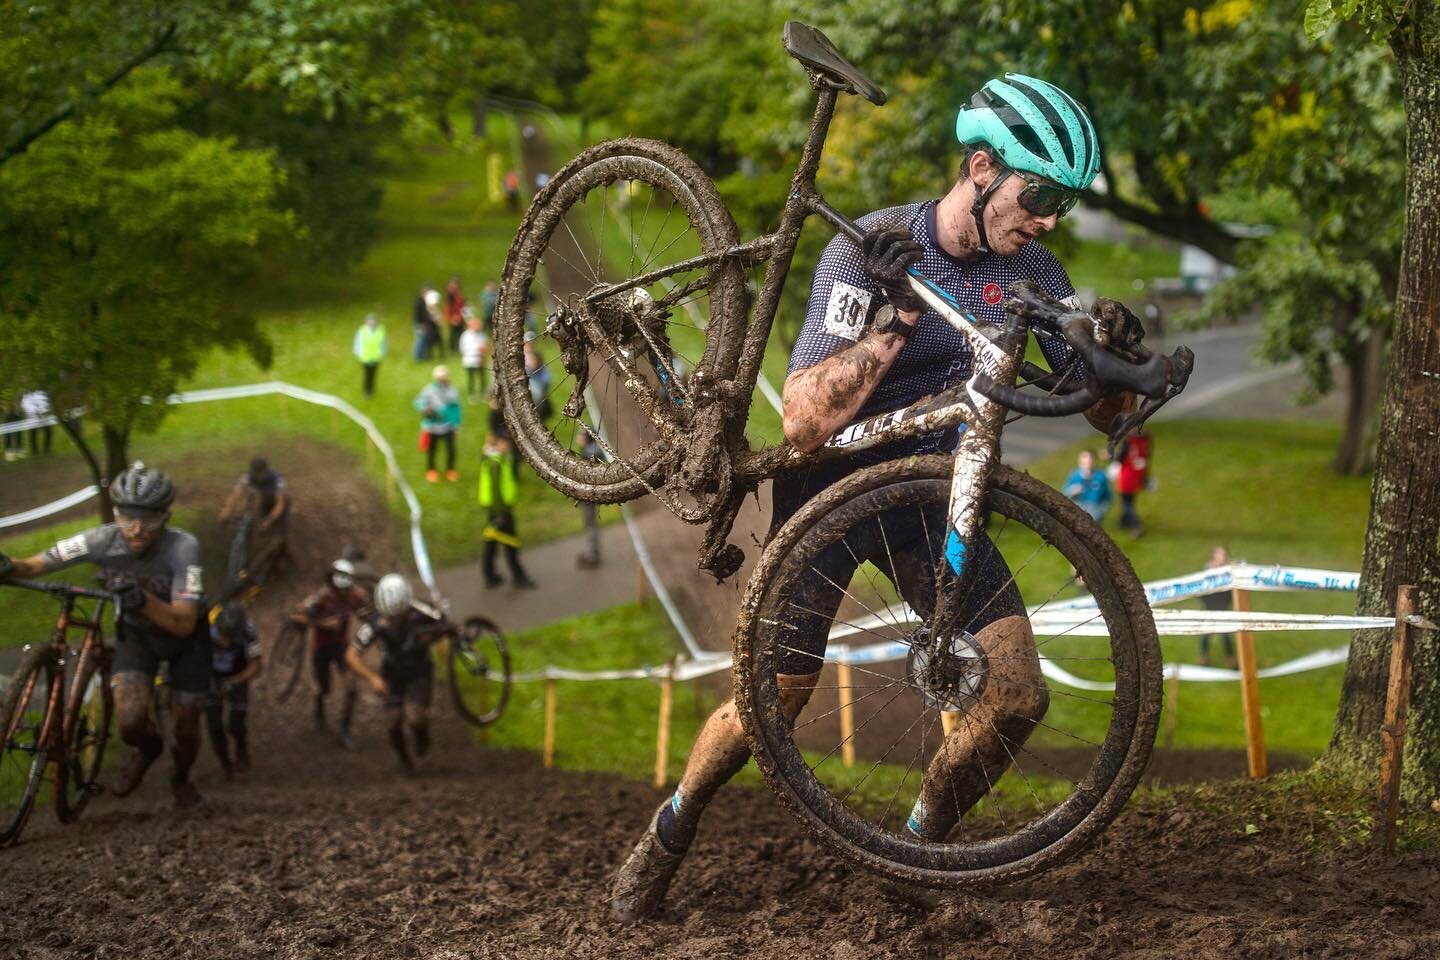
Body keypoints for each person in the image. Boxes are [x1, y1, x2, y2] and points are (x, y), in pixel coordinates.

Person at [610, 73, 1143, 920]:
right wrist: (895, 319)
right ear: (980, 167)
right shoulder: (871, 243)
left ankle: (914, 852)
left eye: (1065, 205)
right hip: (829, 488)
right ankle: (671, 829)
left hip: (932, 498)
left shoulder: (1036, 268)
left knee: (1014, 695)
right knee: (769, 705)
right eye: (1038, 194)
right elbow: (804, 420)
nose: (1047, 218)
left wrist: (1116, 357)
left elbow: (1104, 412)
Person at [0, 463, 210, 807]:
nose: (137, 529)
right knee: (129, 721)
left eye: (149, 520)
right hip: (139, 635)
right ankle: (149, 747)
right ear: (115, 513)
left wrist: (141, 599)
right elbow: (37, 564)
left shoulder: (184, 548)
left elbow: (184, 623)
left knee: (187, 721)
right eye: (127, 518)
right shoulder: (101, 539)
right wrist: (9, 565)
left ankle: (181, 778)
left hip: (187, 641)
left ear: (165, 517)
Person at [345, 573, 445, 772]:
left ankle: (422, 735)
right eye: (390, 617)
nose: (394, 621)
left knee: (415, 717)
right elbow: (351, 655)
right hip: (392, 672)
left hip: (419, 670)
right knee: (393, 721)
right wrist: (372, 678)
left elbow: (446, 628)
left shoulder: (423, 612)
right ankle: (403, 760)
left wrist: (434, 640)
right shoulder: (375, 623)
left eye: (399, 616)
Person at [298, 557, 370, 747]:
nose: (343, 594)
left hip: (341, 647)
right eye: (340, 591)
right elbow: (300, 618)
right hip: (321, 648)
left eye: (346, 590)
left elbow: (364, 613)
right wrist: (324, 623)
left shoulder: (355, 595)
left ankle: (345, 728)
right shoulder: (322, 597)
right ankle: (318, 710)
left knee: (351, 687)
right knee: (324, 688)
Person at [207, 603, 263, 779]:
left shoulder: (249, 631)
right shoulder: (205, 631)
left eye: (232, 637)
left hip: (238, 673)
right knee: (214, 726)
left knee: (236, 725)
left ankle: (241, 749)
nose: (227, 642)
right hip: (211, 675)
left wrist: (235, 681)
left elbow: (257, 665)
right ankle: (225, 764)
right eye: (224, 636)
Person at [477, 433, 536, 588]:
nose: (509, 446)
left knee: (491, 543)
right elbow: (496, 491)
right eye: (506, 443)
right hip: (500, 512)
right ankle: (519, 577)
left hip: (496, 511)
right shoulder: (495, 463)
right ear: (499, 443)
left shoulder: (497, 460)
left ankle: (489, 576)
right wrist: (500, 515)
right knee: (511, 544)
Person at [220, 457, 290, 542]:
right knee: (262, 527)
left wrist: (269, 520)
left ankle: (285, 547)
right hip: (266, 500)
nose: (256, 477)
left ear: (265, 472)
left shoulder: (277, 480)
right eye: (254, 473)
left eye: (258, 474)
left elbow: (280, 504)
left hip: (282, 502)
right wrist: (227, 509)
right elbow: (235, 493)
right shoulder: (249, 476)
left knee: (280, 531)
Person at [415, 365, 462, 483]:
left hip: (448, 426)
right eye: (439, 377)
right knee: (432, 450)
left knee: (451, 450)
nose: (441, 379)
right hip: (432, 426)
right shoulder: (428, 390)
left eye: (443, 376)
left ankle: (450, 470)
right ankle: (431, 470)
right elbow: (418, 401)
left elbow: (456, 408)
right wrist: (424, 408)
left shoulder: (452, 391)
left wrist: (456, 425)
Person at [1199, 545, 1237, 668]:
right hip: (1209, 606)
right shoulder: (1207, 570)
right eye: (1219, 554)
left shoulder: (1228, 571)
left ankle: (1231, 660)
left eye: (1224, 554)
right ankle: (1203, 658)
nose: (1222, 557)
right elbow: (1200, 588)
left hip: (1222, 606)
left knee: (1225, 634)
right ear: (1213, 556)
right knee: (1205, 633)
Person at [1114, 427, 1151, 538]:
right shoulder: (1146, 440)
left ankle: (1136, 525)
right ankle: (1123, 521)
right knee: (1130, 499)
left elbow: (1119, 458)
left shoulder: (1128, 441)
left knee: (1126, 502)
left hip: (1127, 475)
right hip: (1138, 474)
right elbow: (1148, 456)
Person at [1062, 448, 1112, 524]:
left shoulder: (1101, 476)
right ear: (1080, 461)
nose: (1088, 461)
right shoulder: (1074, 475)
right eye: (1084, 458)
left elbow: (1107, 497)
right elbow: (1064, 493)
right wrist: (1072, 491)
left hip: (1095, 514)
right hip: (1077, 511)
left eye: (1091, 458)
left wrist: (1101, 511)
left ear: (1095, 461)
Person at [576, 427, 602, 568]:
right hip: (591, 494)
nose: (578, 438)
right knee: (591, 524)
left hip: (588, 495)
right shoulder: (593, 451)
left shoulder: (589, 454)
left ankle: (592, 554)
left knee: (590, 524)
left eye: (580, 435)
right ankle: (593, 552)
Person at [458, 310, 490, 402]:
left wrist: (484, 350)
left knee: (482, 377)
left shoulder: (481, 334)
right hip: (470, 359)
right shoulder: (465, 335)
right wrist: (476, 350)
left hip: (481, 359)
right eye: (476, 324)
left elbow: (486, 344)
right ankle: (472, 395)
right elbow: (462, 347)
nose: (478, 326)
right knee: (471, 378)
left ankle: (483, 393)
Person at [353, 313, 388, 397]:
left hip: (376, 358)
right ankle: (367, 391)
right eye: (370, 321)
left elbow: (384, 344)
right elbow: (357, 344)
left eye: (373, 321)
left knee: (373, 375)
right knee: (367, 375)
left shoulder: (381, 331)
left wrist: (382, 354)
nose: (372, 323)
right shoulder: (361, 331)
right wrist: (359, 354)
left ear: (376, 322)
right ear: (366, 322)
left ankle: (372, 389)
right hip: (365, 358)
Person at [523, 333, 554, 421]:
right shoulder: (519, 355)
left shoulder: (538, 356)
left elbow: (546, 377)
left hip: (537, 386)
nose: (530, 344)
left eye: (532, 342)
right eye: (528, 342)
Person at [413, 284, 443, 361]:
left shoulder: (425, 302)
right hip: (420, 324)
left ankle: (422, 355)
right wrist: (422, 324)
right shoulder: (419, 302)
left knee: (424, 340)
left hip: (424, 324)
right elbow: (419, 315)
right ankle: (417, 357)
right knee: (420, 340)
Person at [20, 390, 52, 457]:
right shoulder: (27, 396)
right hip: (32, 417)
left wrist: (44, 410)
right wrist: (35, 412)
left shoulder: (41, 392)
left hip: (44, 416)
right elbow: (25, 405)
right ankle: (34, 451)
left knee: (48, 432)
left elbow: (46, 402)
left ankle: (47, 449)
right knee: (33, 434)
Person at [444, 276, 467, 355]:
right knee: (453, 335)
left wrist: (460, 317)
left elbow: (462, 307)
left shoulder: (459, 296)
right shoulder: (449, 296)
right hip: (453, 319)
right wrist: (451, 319)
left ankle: (459, 348)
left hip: (460, 318)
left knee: (460, 334)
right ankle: (453, 350)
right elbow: (448, 309)